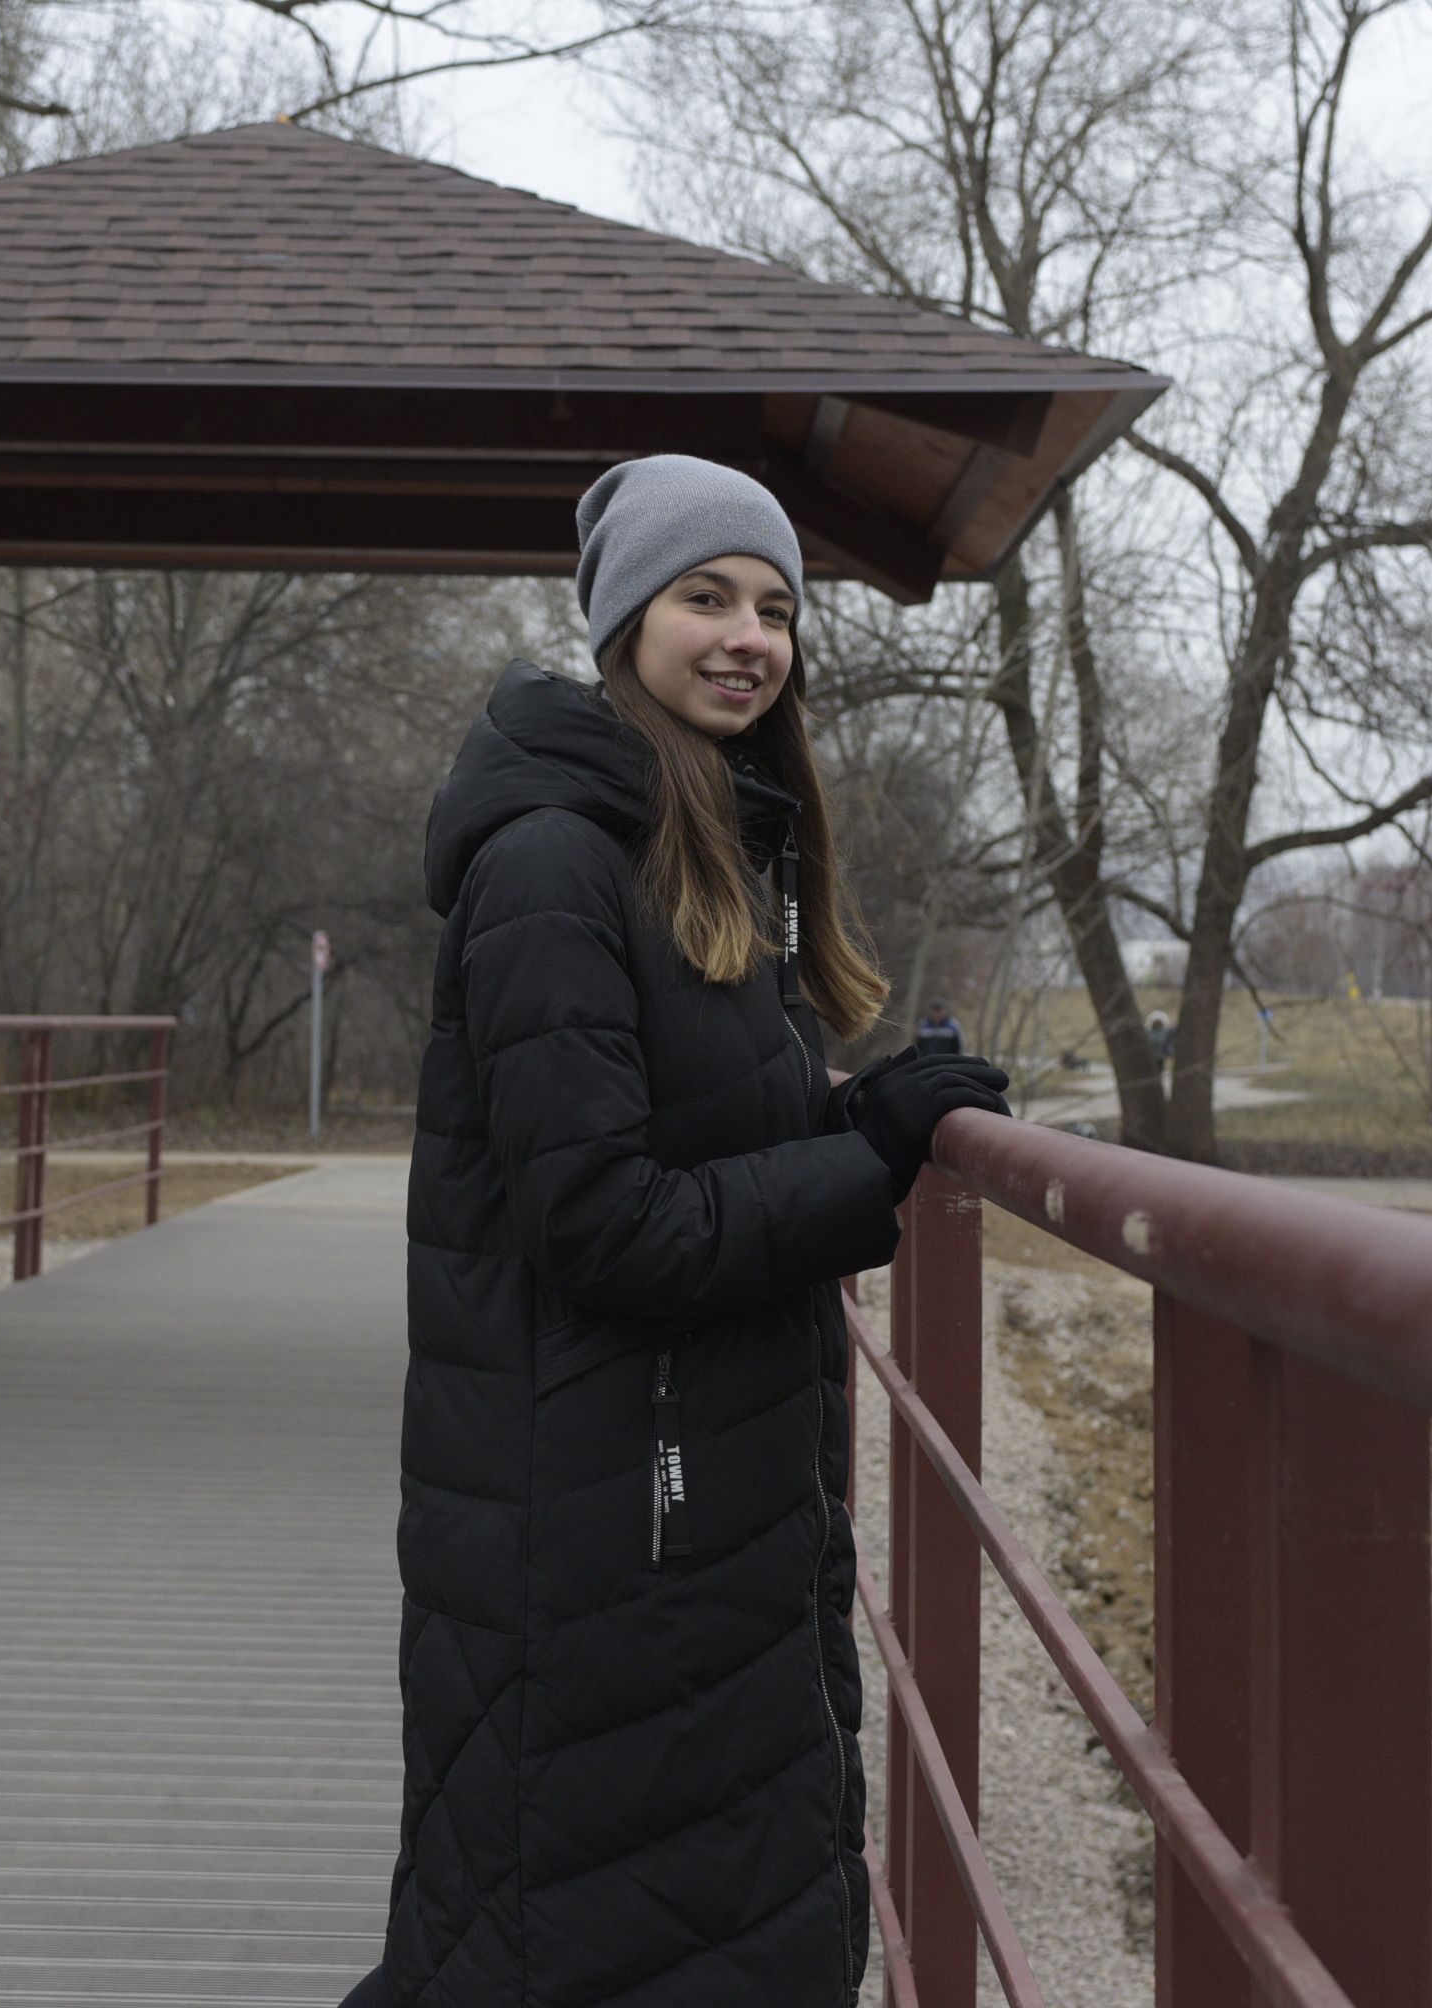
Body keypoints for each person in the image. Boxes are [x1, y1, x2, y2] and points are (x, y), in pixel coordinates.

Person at [345, 456, 1009, 2008]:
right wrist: (874, 1162)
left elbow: (697, 1145)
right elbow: (606, 1224)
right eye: (706, 596)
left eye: (774, 608)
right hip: (594, 1535)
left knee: (676, 1928)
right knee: (577, 1940)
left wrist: (864, 1114)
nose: (747, 636)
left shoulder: (705, 847)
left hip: (681, 1518)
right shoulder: (553, 865)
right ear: (627, 617)